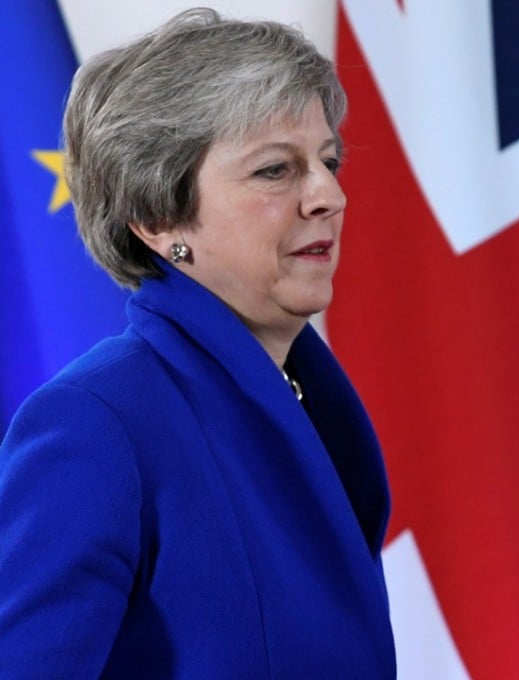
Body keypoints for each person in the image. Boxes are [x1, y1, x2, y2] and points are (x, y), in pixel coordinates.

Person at [0, 9, 395, 678]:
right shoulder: (98, 422)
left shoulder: (308, 401)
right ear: (158, 217)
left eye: (328, 161)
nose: (328, 194)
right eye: (275, 171)